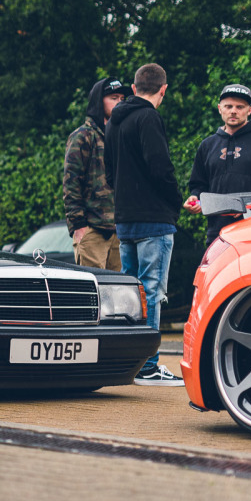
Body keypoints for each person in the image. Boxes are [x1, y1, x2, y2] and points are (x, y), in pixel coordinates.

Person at [104, 63, 184, 385]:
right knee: (151, 290)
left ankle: (130, 362)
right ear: (162, 90)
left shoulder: (114, 123)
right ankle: (149, 365)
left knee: (130, 291)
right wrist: (176, 201)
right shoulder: (149, 117)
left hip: (125, 218)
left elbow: (110, 173)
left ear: (134, 88)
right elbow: (160, 167)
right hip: (153, 218)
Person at [184, 84, 251, 246]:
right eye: (228, 106)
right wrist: (196, 199)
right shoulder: (208, 145)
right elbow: (199, 185)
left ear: (250, 110)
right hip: (217, 232)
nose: (233, 111)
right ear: (220, 108)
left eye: (239, 107)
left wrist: (247, 205)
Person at [63, 77, 131, 270]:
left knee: (118, 293)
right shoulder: (83, 136)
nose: (119, 102)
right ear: (99, 101)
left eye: (122, 98)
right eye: (113, 97)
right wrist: (78, 226)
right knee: (94, 294)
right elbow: (71, 184)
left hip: (120, 231)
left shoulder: (122, 136)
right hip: (92, 230)